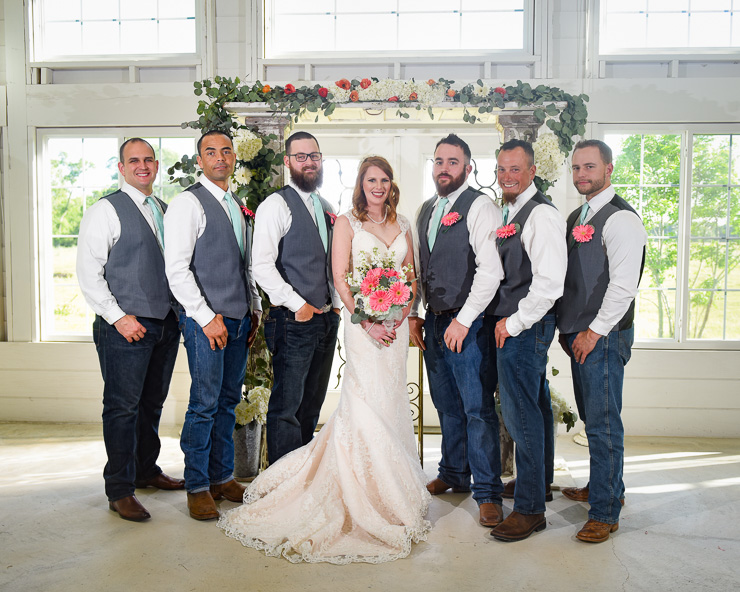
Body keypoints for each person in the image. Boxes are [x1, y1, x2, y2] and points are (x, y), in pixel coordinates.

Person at [218, 156, 430, 564]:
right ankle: (358, 488)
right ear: (361, 184)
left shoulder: (403, 224)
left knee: (390, 401)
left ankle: (394, 486)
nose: (378, 186)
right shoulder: (346, 223)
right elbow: (340, 278)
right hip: (364, 327)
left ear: (392, 185)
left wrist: (400, 313)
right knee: (364, 401)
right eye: (371, 179)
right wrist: (369, 322)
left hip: (395, 324)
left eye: (384, 179)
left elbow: (410, 277)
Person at [77, 138, 182, 522]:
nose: (143, 166)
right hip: (124, 327)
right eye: (133, 160)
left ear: (156, 165)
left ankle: (145, 471)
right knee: (122, 408)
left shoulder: (164, 210)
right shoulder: (105, 210)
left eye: (148, 159)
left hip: (165, 324)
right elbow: (88, 272)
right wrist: (118, 317)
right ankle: (119, 489)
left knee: (152, 404)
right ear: (121, 168)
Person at [408, 134, 505, 529]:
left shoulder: (481, 206)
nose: (444, 168)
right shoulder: (426, 210)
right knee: (446, 404)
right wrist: (413, 313)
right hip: (434, 320)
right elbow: (419, 269)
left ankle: (488, 492)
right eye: (439, 161)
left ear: (468, 167)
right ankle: (453, 473)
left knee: (477, 409)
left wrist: (463, 321)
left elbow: (491, 270)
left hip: (470, 323)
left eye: (453, 161)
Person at [164, 130, 261, 521]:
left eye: (226, 151)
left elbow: (244, 264)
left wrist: (254, 308)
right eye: (211, 152)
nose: (220, 157)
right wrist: (206, 317)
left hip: (239, 320)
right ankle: (197, 486)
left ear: (234, 157)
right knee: (203, 404)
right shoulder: (187, 203)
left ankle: (222, 477)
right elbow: (177, 270)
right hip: (205, 323)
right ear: (200, 160)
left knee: (227, 402)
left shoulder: (236, 204)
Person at [557, 139, 646, 543]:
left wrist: (594, 332)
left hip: (603, 338)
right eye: (576, 168)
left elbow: (624, 286)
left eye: (590, 167)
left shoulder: (621, 219)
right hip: (581, 336)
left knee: (604, 425)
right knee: (594, 420)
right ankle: (606, 488)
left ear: (609, 169)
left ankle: (605, 512)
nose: (581, 174)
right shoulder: (579, 215)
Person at [488, 138, 567, 542]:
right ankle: (538, 484)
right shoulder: (513, 210)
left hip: (525, 326)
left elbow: (550, 283)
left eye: (515, 169)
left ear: (532, 171)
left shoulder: (541, 215)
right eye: (501, 169)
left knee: (522, 415)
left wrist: (514, 323)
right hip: (519, 324)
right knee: (535, 407)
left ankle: (531, 509)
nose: (507, 176)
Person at [252, 131, 341, 463]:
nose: (309, 162)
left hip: (325, 320)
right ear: (288, 162)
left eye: (314, 156)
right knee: (286, 407)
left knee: (311, 405)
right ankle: (281, 480)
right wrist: (298, 305)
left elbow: (332, 264)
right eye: (301, 157)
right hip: (293, 320)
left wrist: (335, 307)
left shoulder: (326, 207)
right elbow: (261, 266)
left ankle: (302, 475)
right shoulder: (276, 205)